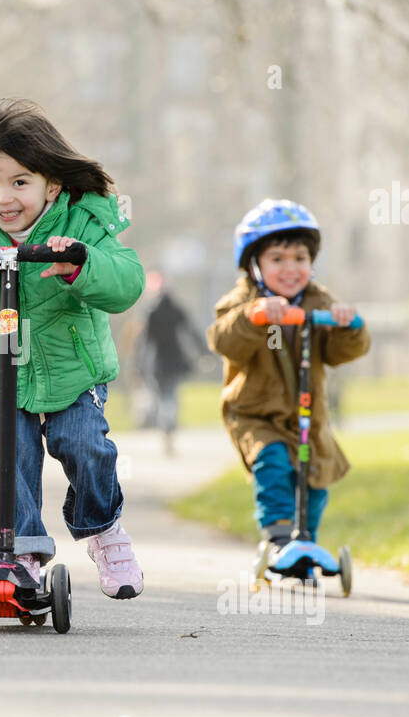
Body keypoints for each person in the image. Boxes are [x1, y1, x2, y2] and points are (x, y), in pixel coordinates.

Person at [0, 98, 146, 599]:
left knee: (82, 445)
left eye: (20, 183)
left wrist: (84, 265)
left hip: (71, 366)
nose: (3, 198)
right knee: (9, 452)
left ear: (51, 185)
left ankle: (102, 529)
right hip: (0, 363)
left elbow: (126, 282)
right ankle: (20, 553)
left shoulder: (81, 222)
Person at [207, 199, 370, 575]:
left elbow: (339, 352)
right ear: (254, 264)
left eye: (299, 258)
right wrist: (255, 316)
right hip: (255, 414)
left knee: (315, 478)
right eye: (277, 259)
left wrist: (349, 326)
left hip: (307, 417)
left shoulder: (319, 299)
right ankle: (279, 539)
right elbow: (223, 339)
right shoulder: (242, 301)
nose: (290, 268)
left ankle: (304, 543)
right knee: (274, 462)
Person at [140, 275, 208, 454]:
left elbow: (144, 341)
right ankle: (168, 426)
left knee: (162, 397)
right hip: (174, 361)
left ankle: (165, 426)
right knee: (170, 397)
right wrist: (204, 352)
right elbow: (192, 331)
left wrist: (139, 365)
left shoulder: (151, 312)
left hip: (156, 363)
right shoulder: (176, 309)